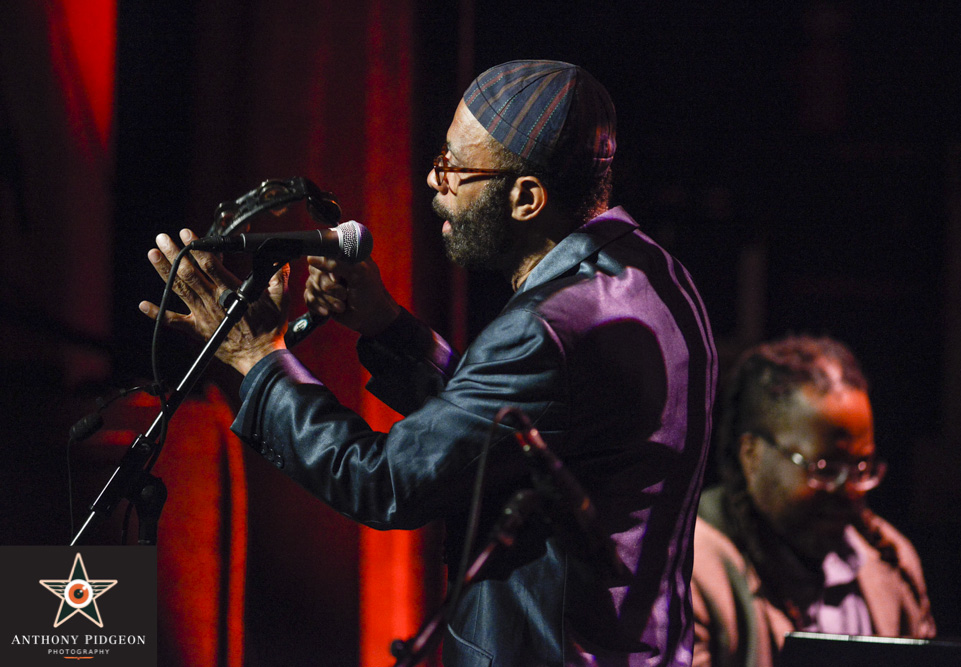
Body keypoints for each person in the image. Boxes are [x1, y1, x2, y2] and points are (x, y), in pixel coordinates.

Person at [141, 60, 717, 666]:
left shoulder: (546, 327)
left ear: (525, 198)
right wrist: (390, 329)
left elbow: (386, 481)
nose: (430, 181)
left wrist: (260, 360)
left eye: (452, 168)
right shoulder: (654, 275)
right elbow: (520, 429)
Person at [691, 335, 935, 667]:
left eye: (861, 467)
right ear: (752, 454)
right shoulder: (687, 571)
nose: (846, 489)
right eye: (825, 468)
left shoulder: (893, 563)